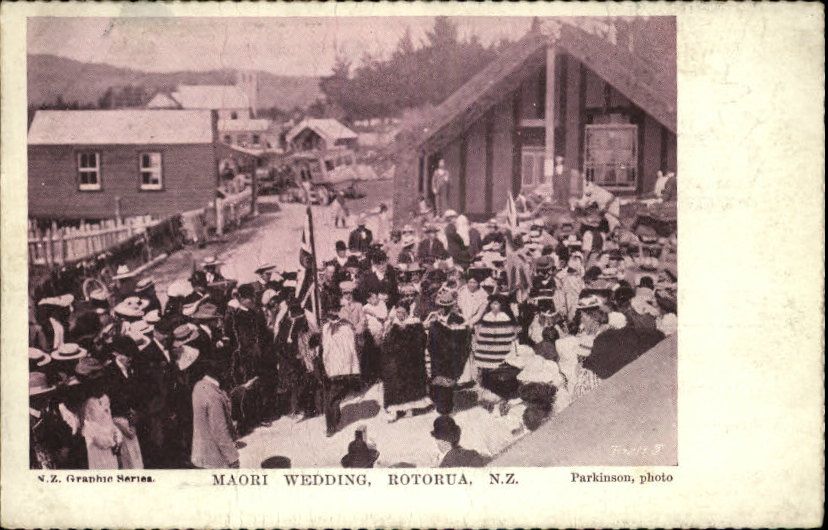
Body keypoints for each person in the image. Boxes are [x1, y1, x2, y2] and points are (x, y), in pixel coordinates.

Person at [380, 303, 430, 421]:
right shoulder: (393, 324)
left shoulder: (415, 324)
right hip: (397, 360)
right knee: (394, 381)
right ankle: (395, 409)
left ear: (407, 312)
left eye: (402, 312)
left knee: (411, 381)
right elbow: (387, 342)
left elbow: (421, 340)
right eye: (398, 312)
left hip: (412, 359)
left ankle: (410, 408)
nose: (400, 315)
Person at [190, 361, 239, 469]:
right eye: (229, 369)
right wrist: (233, 459)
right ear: (222, 373)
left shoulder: (198, 386)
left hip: (200, 455)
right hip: (215, 459)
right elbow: (220, 431)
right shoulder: (214, 396)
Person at [321, 304, 360, 436]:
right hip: (330, 368)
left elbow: (350, 350)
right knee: (332, 397)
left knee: (333, 396)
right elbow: (325, 348)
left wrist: (349, 369)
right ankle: (332, 424)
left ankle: (332, 424)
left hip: (341, 369)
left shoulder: (346, 328)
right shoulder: (326, 328)